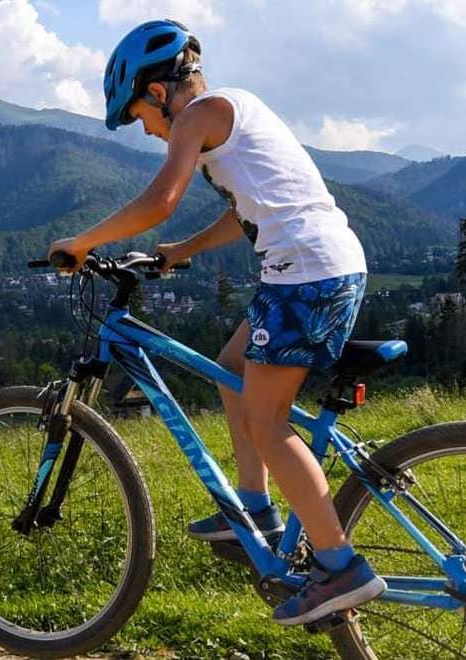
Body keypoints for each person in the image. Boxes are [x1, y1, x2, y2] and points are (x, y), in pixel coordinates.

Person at [47, 19, 385, 626]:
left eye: (138, 117)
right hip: (312, 265)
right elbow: (246, 215)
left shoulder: (201, 114)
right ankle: (254, 511)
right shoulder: (235, 109)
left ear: (157, 92)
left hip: (306, 271)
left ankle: (339, 566)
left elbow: (158, 200)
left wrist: (82, 241)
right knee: (231, 371)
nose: (148, 131)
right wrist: (181, 252)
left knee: (265, 419)